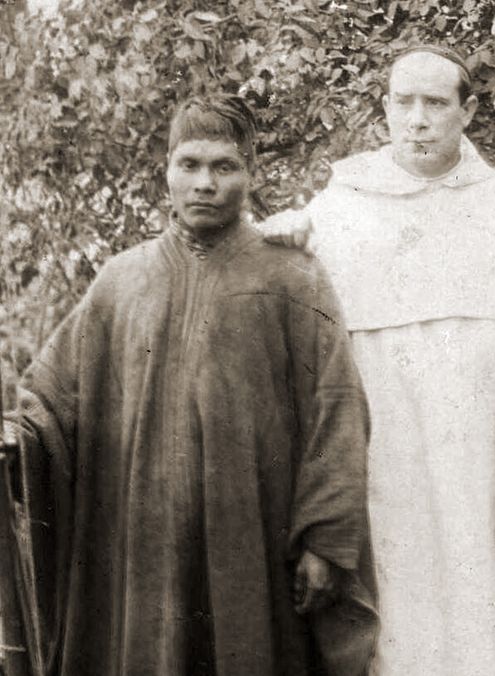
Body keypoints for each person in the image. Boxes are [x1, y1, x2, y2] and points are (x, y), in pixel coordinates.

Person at [2, 94, 376, 676]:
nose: (205, 182)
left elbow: (338, 407)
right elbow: (51, 404)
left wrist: (326, 539)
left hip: (254, 545)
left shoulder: (294, 278)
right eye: (190, 164)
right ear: (168, 171)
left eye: (224, 167)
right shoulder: (120, 282)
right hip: (142, 547)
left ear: (250, 175)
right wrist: (19, 441)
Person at [261, 45, 495, 675]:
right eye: (402, 102)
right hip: (386, 432)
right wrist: (284, 241)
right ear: (384, 108)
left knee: (483, 576)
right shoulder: (341, 202)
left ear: (468, 112)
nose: (418, 118)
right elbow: (288, 293)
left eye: (435, 102)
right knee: (402, 578)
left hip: (480, 438)